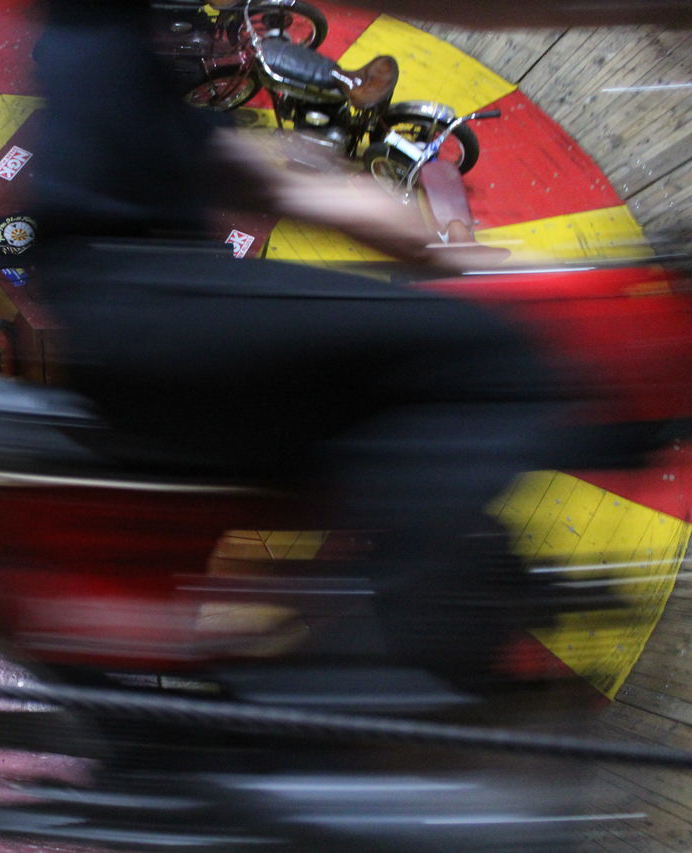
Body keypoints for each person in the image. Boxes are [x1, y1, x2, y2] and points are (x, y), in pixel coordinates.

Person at [31, 0, 572, 679]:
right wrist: (428, 249)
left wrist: (414, 242)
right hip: (147, 314)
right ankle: (398, 642)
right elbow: (256, 181)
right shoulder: (107, 37)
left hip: (130, 314)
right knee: (492, 354)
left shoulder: (101, 43)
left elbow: (237, 173)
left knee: (409, 357)